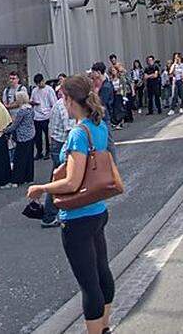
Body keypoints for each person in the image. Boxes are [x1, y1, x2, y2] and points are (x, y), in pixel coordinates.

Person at [27, 74, 117, 334]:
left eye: (62, 97)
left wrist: (41, 188)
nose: (61, 102)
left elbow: (71, 182)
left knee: (89, 284)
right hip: (98, 210)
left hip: (77, 217)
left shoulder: (78, 133)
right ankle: (105, 327)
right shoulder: (99, 125)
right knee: (102, 272)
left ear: (69, 99)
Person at [40, 74, 76, 228]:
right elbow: (71, 130)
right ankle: (49, 215)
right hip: (61, 145)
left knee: (58, 179)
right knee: (61, 180)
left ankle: (55, 212)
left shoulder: (58, 104)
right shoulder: (63, 107)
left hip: (56, 143)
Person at [0, 88, 36, 187]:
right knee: (28, 158)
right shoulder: (30, 109)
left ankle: (16, 179)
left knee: (19, 159)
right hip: (30, 134)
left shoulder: (22, 111)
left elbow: (15, 125)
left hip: (22, 137)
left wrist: (4, 130)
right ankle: (29, 177)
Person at [31, 73, 58, 160]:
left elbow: (53, 103)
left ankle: (48, 151)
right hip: (37, 116)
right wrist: (33, 103)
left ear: (43, 81)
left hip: (46, 116)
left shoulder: (49, 90)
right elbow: (31, 100)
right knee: (37, 136)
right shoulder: (35, 90)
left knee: (47, 135)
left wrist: (52, 114)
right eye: (37, 83)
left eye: (40, 83)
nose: (39, 85)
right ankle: (39, 152)